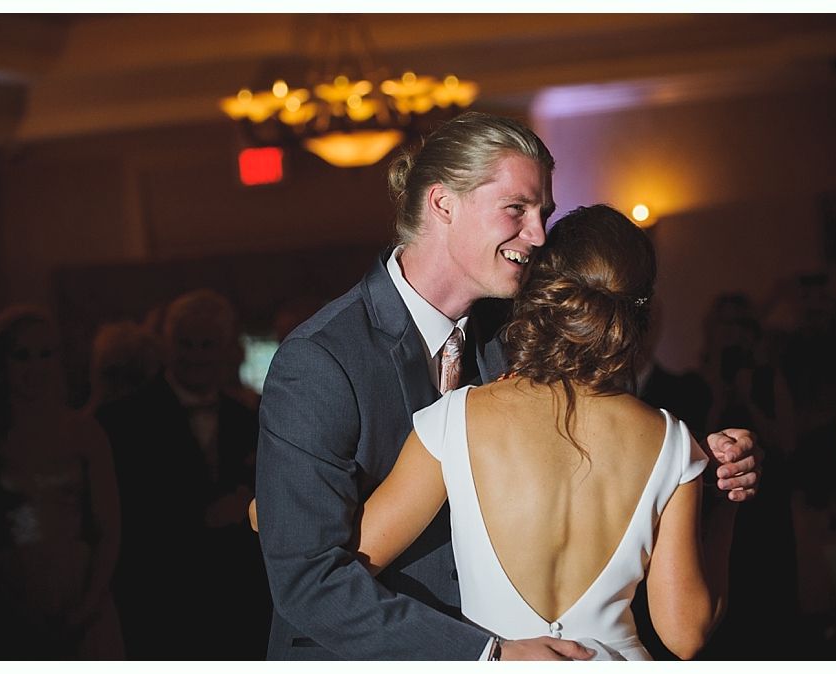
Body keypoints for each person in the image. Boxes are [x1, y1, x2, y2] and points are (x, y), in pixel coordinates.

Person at [256, 111, 759, 660]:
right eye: (516, 209)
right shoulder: (323, 358)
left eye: (543, 213)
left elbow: (600, 461)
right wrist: (486, 655)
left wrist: (706, 476)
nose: (539, 235)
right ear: (443, 204)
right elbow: (308, 581)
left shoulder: (522, 334)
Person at [353, 204, 738, 659]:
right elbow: (685, 634)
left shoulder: (456, 420)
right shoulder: (672, 441)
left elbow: (355, 560)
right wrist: (726, 506)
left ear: (539, 292)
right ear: (640, 311)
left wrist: (281, 515)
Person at [97, 289, 267, 659]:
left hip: (236, 606)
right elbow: (119, 515)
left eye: (207, 344)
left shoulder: (250, 420)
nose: (196, 356)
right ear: (166, 346)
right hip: (159, 603)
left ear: (226, 349)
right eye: (186, 343)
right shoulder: (122, 421)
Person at [0, 306, 123, 658]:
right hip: (10, 602)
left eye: (47, 354)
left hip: (82, 599)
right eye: (22, 356)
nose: (36, 367)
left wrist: (86, 607)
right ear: (0, 364)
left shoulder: (85, 434)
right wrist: (12, 609)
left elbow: (109, 530)